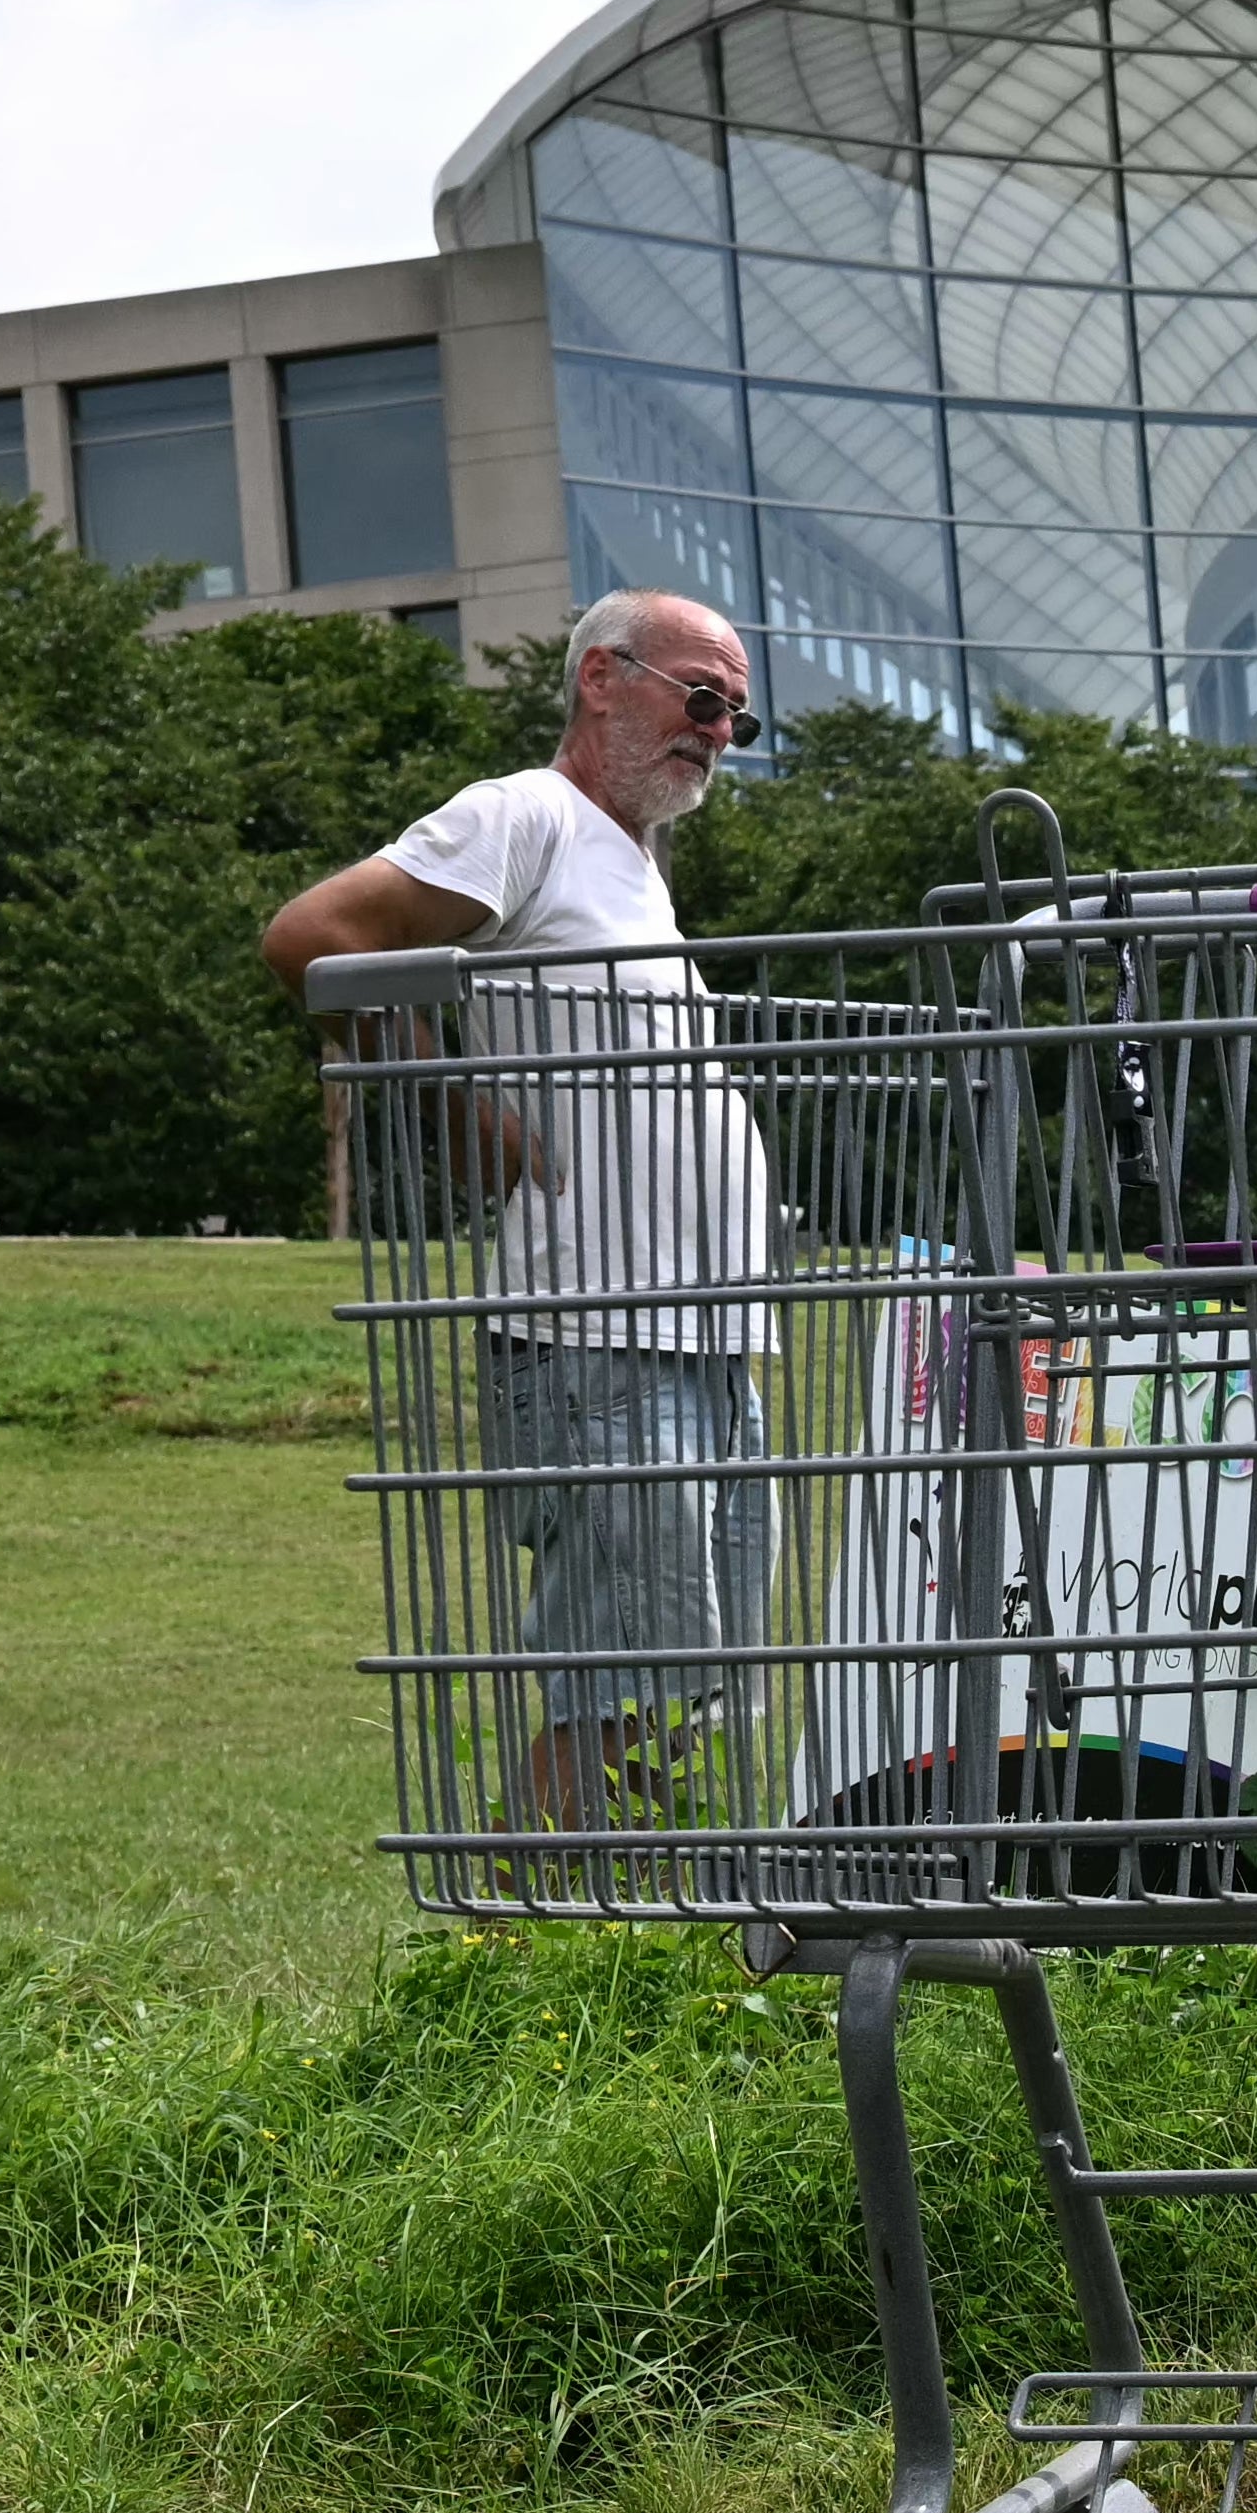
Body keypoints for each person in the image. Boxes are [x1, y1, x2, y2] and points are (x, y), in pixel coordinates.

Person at [261, 589, 772, 1847]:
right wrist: (458, 1110)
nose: (716, 731)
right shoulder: (527, 815)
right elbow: (314, 936)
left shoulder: (634, 864)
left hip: (693, 1332)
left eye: (736, 718)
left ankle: (631, 1907)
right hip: (598, 1329)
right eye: (700, 698)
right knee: (622, 1664)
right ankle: (536, 1914)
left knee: (684, 1663)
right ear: (602, 678)